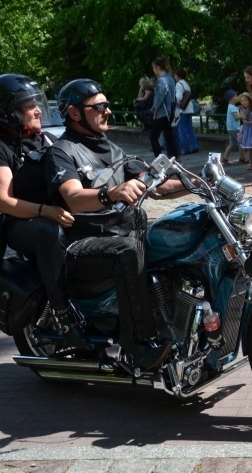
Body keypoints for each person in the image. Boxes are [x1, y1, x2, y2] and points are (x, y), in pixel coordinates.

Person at [43, 79, 186, 369]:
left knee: (171, 239)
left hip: (122, 235)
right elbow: (72, 197)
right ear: (74, 113)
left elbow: (154, 185)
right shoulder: (62, 151)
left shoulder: (112, 150)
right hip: (82, 246)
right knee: (127, 252)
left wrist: (197, 183)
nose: (107, 111)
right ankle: (139, 347)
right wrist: (111, 193)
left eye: (107, 106)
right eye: (99, 107)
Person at [0, 73, 87, 353]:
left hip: (52, 213)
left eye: (37, 102)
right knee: (48, 231)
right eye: (29, 105)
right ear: (10, 113)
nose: (38, 109)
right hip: (21, 224)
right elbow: (5, 201)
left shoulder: (45, 140)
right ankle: (61, 311)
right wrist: (47, 211)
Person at [150, 56, 180, 159]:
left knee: (153, 136)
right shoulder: (171, 78)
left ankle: (159, 161)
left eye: (154, 67)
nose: (153, 70)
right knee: (169, 137)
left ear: (158, 67)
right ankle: (175, 159)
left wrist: (153, 109)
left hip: (163, 113)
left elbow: (159, 98)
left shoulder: (161, 80)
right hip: (171, 113)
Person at [174, 69, 199, 155]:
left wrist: (173, 101)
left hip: (182, 109)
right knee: (190, 128)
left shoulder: (178, 84)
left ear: (179, 76)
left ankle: (186, 148)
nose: (175, 77)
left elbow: (179, 97)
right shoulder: (186, 84)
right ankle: (194, 146)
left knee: (182, 129)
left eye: (175, 75)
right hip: (189, 108)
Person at [221, 89, 242, 165]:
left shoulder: (230, 106)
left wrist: (239, 108)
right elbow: (236, 117)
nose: (237, 97)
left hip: (230, 128)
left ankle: (225, 158)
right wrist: (243, 115)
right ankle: (242, 157)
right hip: (235, 128)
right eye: (236, 96)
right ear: (231, 98)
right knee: (241, 143)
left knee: (232, 143)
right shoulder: (232, 107)